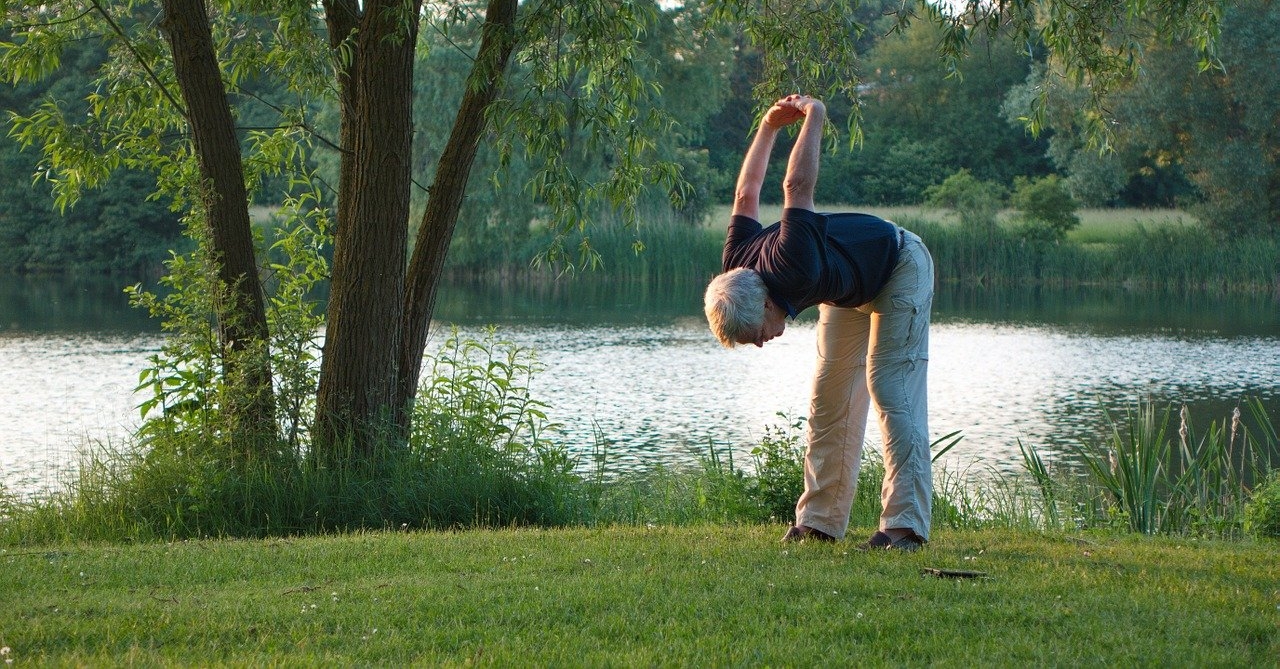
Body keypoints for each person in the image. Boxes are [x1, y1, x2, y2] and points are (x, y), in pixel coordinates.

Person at [703, 94, 935, 551]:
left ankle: (905, 527)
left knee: (889, 386)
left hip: (899, 265)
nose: (763, 344)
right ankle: (819, 522)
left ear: (766, 305)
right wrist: (767, 127)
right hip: (847, 287)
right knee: (828, 398)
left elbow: (796, 187)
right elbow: (745, 194)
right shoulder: (736, 264)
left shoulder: (793, 264)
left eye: (756, 337)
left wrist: (815, 116)